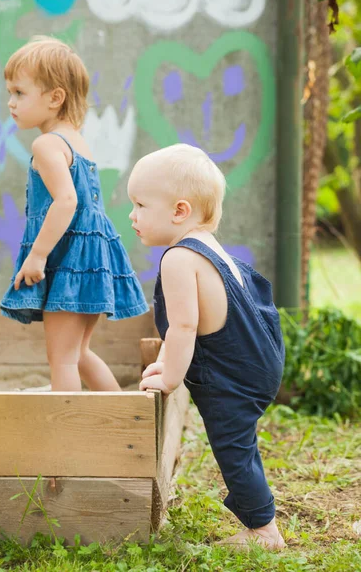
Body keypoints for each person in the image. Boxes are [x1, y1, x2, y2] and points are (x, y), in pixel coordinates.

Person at [127, 144, 286, 550]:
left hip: (231, 373)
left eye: (141, 205)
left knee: (233, 445)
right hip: (259, 356)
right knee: (240, 441)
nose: (132, 215)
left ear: (179, 211)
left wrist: (170, 376)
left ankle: (264, 530)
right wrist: (166, 357)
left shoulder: (178, 259)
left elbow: (184, 326)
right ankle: (261, 523)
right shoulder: (210, 247)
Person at [0, 36, 148, 392]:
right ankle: (125, 422)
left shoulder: (47, 144)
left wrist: (37, 255)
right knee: (78, 353)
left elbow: (66, 201)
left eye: (20, 93)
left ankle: (67, 442)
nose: (10, 103)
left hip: (71, 262)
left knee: (63, 359)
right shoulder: (76, 140)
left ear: (55, 98)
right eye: (10, 93)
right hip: (92, 259)